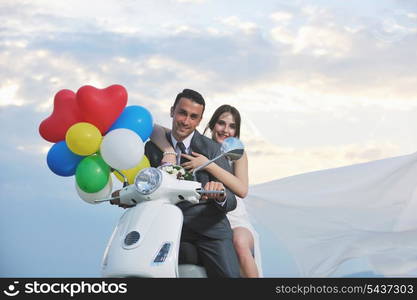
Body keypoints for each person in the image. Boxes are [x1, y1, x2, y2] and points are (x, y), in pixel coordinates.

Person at [117, 88, 241, 278]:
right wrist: (125, 195)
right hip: (165, 228)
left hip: (209, 230)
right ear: (172, 111)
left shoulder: (213, 149)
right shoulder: (151, 148)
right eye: (182, 113)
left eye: (193, 117)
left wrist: (221, 194)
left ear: (199, 120)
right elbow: (139, 182)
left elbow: (232, 200)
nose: (186, 121)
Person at [151, 104, 262, 278]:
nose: (225, 130)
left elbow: (242, 189)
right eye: (221, 123)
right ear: (211, 124)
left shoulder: (237, 154)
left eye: (232, 126)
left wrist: (207, 164)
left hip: (234, 217)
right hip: (206, 214)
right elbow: (154, 129)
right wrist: (169, 151)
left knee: (239, 244)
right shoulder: (198, 144)